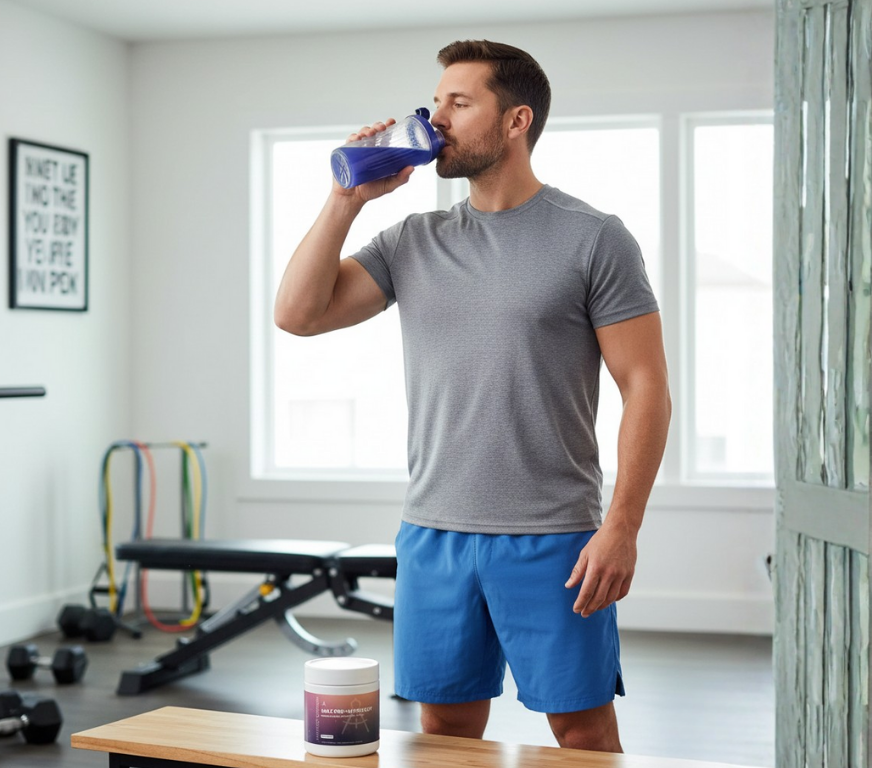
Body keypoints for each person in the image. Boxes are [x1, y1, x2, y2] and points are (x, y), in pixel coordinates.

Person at [274, 39, 671, 753]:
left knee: (580, 729)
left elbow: (646, 387)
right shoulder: (412, 241)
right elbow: (298, 315)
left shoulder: (594, 240)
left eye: (459, 102)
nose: (436, 116)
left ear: (516, 121)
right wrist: (345, 201)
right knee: (446, 732)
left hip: (554, 537)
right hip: (432, 533)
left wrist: (622, 527)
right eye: (436, 100)